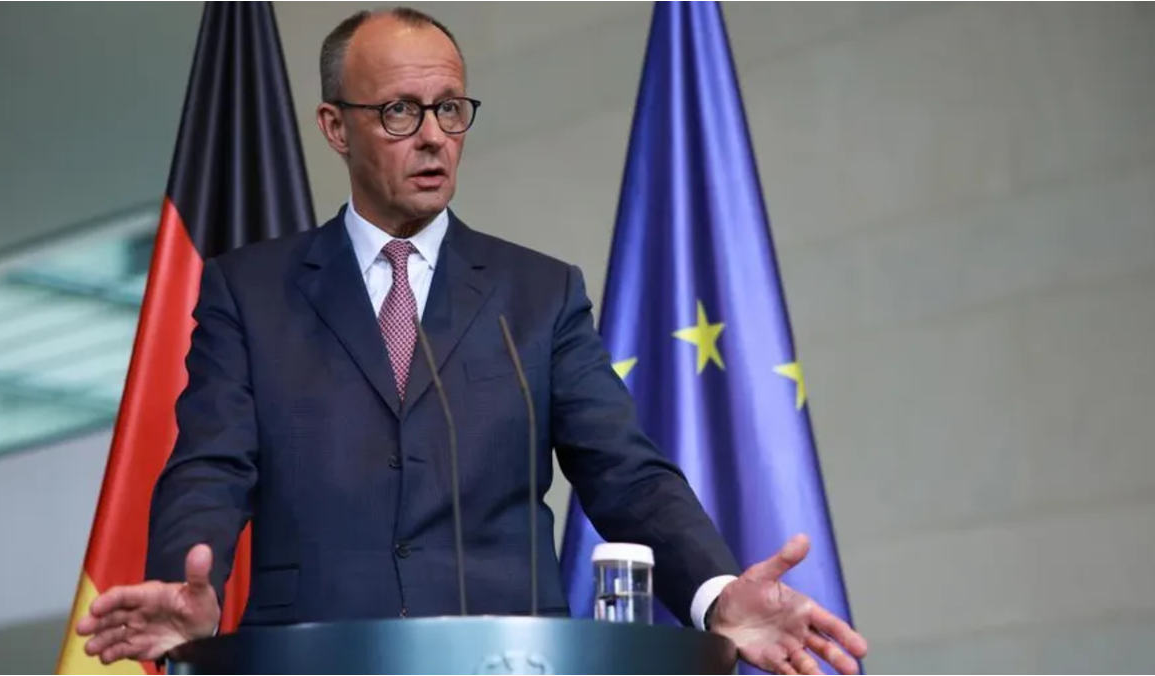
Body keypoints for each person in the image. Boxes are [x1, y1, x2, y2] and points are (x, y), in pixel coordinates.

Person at [76, 8, 868, 675]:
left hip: (507, 659)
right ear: (335, 127)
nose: (433, 137)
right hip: (315, 655)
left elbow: (624, 472)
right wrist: (182, 580)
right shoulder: (249, 291)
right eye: (400, 111)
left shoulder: (538, 293)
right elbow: (210, 465)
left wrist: (716, 593)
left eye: (450, 109)